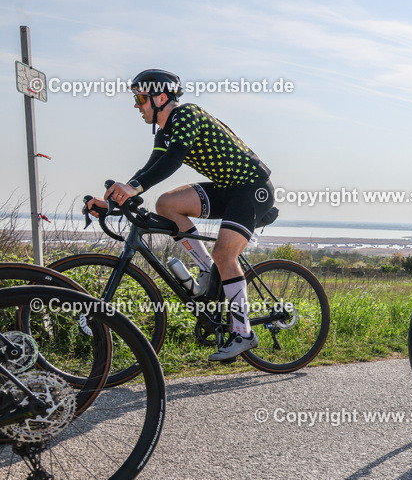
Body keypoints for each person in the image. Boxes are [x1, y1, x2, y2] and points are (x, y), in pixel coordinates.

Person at [85, 69, 276, 361]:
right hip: (227, 188)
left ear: (161, 97)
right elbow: (150, 168)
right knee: (167, 204)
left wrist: (134, 187)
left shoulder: (187, 114)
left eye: (140, 98)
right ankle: (205, 270)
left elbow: (174, 158)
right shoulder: (165, 132)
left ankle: (244, 332)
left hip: (251, 189)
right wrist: (114, 200)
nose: (136, 105)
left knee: (225, 254)